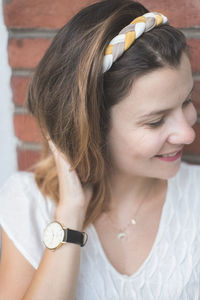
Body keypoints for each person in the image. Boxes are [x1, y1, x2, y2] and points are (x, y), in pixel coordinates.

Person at [0, 0, 200, 299]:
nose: (187, 133)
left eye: (186, 101)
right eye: (155, 121)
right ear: (91, 127)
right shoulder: (28, 203)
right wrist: (70, 215)